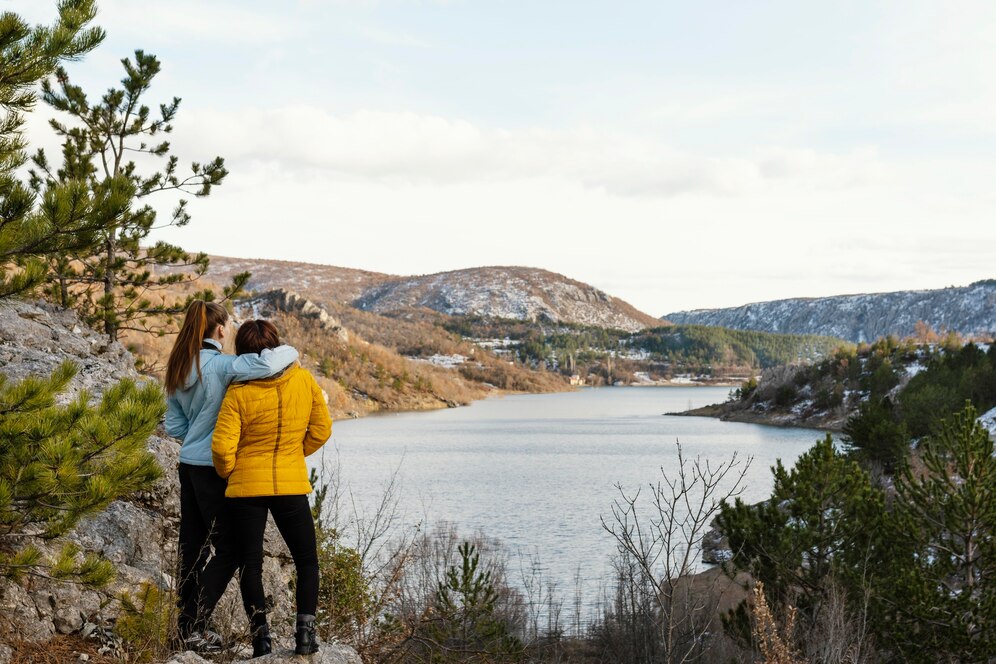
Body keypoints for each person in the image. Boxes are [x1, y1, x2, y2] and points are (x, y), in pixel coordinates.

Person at [164, 302, 299, 652]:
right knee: (232, 550)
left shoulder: (179, 367)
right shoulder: (226, 367)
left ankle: (185, 627)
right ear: (221, 330)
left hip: (188, 467)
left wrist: (198, 433)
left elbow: (174, 425)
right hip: (214, 469)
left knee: (192, 548)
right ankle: (194, 626)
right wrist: (292, 349)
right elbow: (270, 361)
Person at [211, 319, 332, 657]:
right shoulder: (304, 379)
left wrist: (232, 472)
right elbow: (322, 430)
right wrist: (293, 454)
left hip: (246, 488)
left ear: (243, 352)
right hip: (291, 484)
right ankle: (305, 637)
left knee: (251, 564)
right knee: (307, 561)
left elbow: (222, 449)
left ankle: (261, 641)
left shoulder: (238, 390)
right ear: (276, 345)